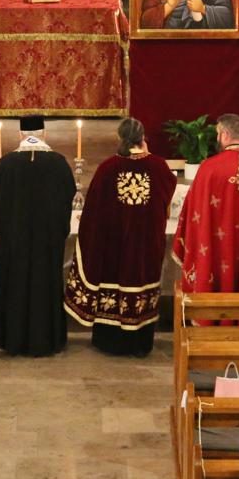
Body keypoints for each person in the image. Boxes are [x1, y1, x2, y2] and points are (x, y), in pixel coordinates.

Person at [64, 118, 176, 356]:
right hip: (145, 245)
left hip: (113, 246)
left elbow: (93, 211)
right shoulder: (158, 166)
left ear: (119, 137)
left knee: (112, 281)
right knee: (141, 280)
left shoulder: (108, 167)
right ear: (143, 137)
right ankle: (140, 343)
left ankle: (109, 342)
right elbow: (166, 194)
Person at [172, 114, 239, 315]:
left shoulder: (209, 168)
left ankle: (212, 318)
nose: (217, 138)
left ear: (225, 134)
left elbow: (193, 212)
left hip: (216, 250)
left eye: (217, 134)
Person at [0, 115, 76, 356]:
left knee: (14, 287)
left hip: (14, 240)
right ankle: (46, 341)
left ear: (20, 135)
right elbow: (69, 193)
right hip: (47, 241)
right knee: (44, 287)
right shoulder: (58, 163)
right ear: (44, 134)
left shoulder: (7, 163)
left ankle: (13, 340)